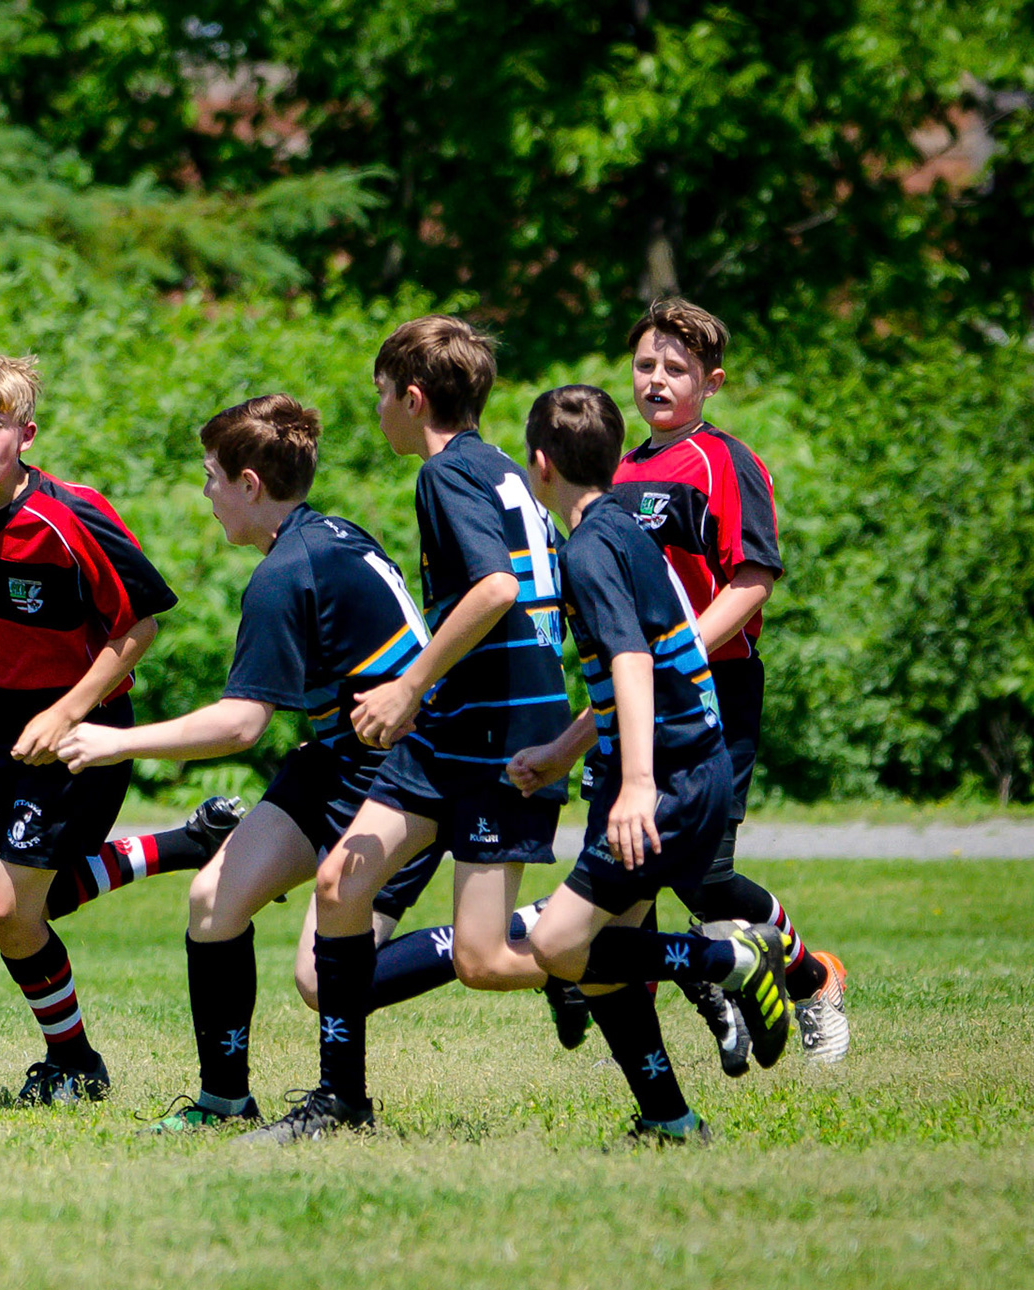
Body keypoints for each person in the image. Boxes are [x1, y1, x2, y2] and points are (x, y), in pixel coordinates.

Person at [57, 393, 432, 1135]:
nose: (206, 495)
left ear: (250, 484)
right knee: (211, 904)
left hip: (404, 773)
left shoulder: (286, 570)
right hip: (333, 758)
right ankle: (224, 1098)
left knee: (319, 980)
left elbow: (239, 726)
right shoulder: (327, 535)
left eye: (211, 479)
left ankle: (527, 939)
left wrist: (113, 740)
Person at [251, 315, 577, 1144]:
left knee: (485, 961)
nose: (379, 411)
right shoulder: (505, 470)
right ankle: (340, 1101)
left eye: (382, 395)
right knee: (338, 887)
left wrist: (407, 684)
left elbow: (498, 590)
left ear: (413, 395)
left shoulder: (445, 478)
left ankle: (666, 960)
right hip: (458, 728)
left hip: (497, 734)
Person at [0, 344, 239, 1105]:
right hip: (4, 727)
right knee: (27, 909)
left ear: (25, 436)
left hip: (84, 729)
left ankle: (76, 1062)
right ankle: (181, 846)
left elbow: (138, 629)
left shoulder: (70, 516)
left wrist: (67, 710)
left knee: (10, 908)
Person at [509, 384, 793, 1143]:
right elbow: (643, 662)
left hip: (666, 780)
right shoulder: (625, 529)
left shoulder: (590, 549)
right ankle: (669, 1118)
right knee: (605, 964)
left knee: (558, 944)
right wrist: (564, 751)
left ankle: (731, 956)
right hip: (690, 766)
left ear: (541, 466)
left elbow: (632, 659)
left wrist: (633, 785)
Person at [613, 297, 848, 1068]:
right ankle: (686, 1003)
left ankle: (811, 978)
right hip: (637, 693)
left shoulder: (723, 461)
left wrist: (678, 654)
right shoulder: (620, 469)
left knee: (705, 879)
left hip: (715, 690)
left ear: (709, 383)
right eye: (647, 364)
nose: (656, 380)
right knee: (628, 866)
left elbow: (751, 581)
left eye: (675, 369)